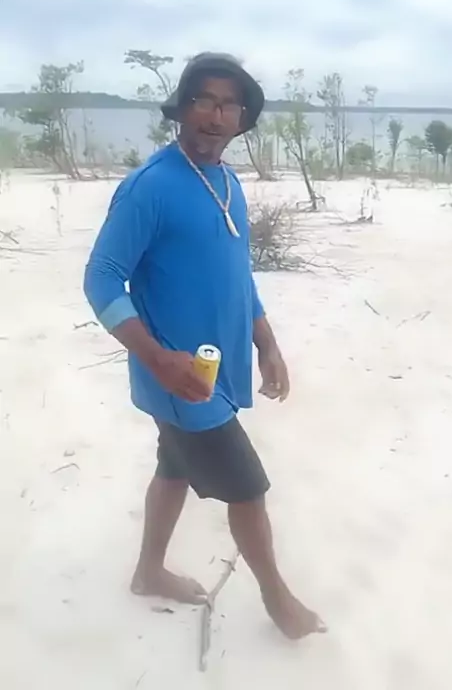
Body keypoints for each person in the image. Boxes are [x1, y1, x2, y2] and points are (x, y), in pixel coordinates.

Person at [84, 52, 324, 639]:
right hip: (180, 382)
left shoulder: (227, 182)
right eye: (204, 101)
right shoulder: (150, 187)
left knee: (173, 469)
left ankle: (148, 571)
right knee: (247, 489)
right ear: (182, 108)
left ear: (241, 118)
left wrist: (266, 342)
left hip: (217, 370)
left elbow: (237, 276)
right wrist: (156, 358)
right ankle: (278, 601)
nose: (215, 116)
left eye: (228, 105)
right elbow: (101, 278)